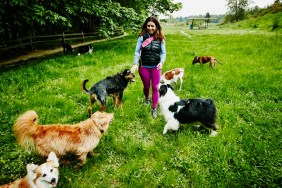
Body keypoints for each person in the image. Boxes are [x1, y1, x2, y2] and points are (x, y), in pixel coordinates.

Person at [130, 16, 166, 118]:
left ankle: (154, 108)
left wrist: (162, 62)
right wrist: (135, 64)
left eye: (152, 26)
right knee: (146, 86)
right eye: (148, 26)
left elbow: (163, 53)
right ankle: (147, 98)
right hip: (144, 67)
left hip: (156, 67)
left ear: (156, 26)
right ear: (146, 26)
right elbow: (137, 52)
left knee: (155, 88)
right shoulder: (141, 38)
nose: (150, 28)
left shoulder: (161, 39)